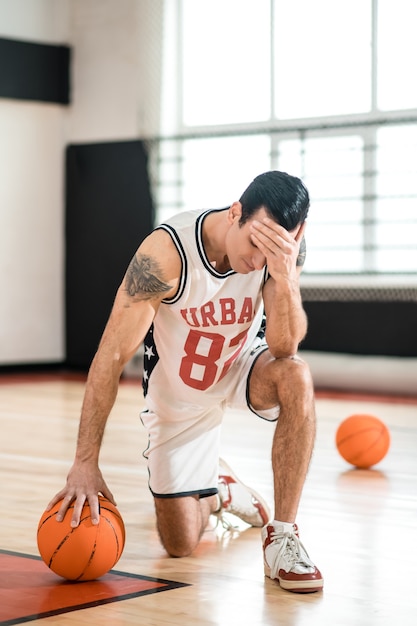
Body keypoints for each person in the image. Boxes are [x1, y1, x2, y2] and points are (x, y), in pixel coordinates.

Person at [47, 170, 323, 593]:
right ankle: (220, 492)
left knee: (297, 376)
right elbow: (111, 355)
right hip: (179, 393)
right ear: (235, 213)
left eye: (271, 253)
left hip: (241, 365)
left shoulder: (281, 255)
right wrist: (85, 462)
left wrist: (284, 276)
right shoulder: (165, 254)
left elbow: (285, 346)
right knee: (180, 545)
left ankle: (283, 537)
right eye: (254, 245)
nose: (257, 261)